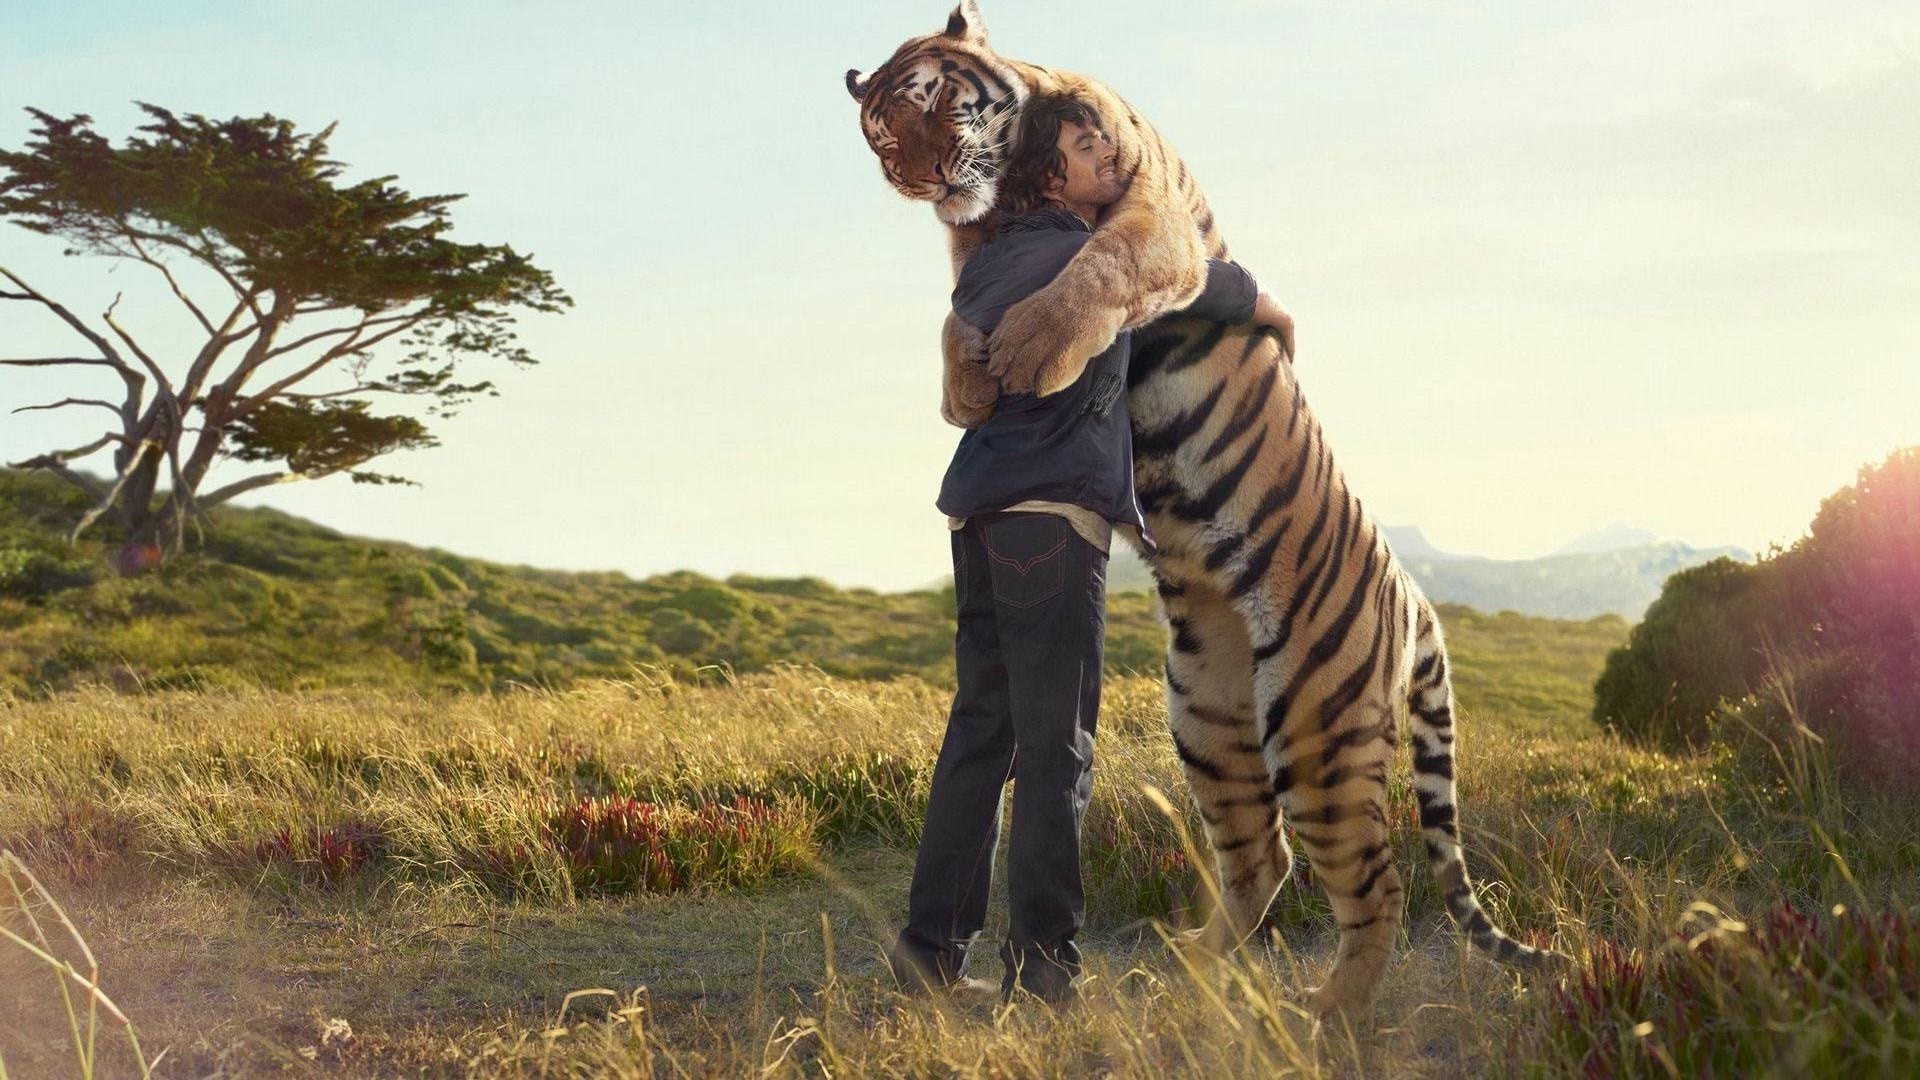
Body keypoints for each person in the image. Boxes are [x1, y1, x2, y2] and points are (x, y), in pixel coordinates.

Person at [889, 92, 1296, 1006]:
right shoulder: (1085, 255)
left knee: (979, 738)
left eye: (1108, 142)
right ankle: (1044, 974)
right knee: (1056, 748)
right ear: (1045, 173)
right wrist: (1269, 304)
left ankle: (929, 957)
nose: (1108, 157)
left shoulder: (990, 263)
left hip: (978, 515)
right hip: (1050, 520)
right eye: (1085, 147)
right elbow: (1182, 273)